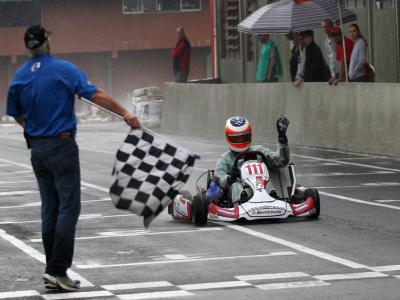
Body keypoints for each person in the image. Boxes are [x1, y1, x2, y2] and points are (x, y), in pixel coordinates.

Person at [6, 25, 141, 292]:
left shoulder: (19, 77)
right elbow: (96, 95)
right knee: (68, 208)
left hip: (37, 148)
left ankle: (53, 270)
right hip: (62, 145)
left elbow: (16, 113)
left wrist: (34, 130)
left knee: (49, 209)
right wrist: (127, 114)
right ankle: (57, 270)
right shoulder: (63, 69)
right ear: (47, 42)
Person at [213, 116, 290, 207]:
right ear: (228, 137)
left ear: (249, 135)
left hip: (260, 186)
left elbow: (281, 161)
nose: (240, 141)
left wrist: (282, 139)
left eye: (243, 137)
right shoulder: (224, 159)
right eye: (236, 138)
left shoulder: (259, 151)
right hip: (238, 195)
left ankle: (273, 199)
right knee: (236, 186)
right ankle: (242, 203)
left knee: (267, 182)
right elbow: (219, 179)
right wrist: (230, 178)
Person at [322, 19, 339, 84]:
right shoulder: (326, 41)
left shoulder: (337, 38)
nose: (325, 29)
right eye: (324, 27)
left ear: (332, 26)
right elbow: (330, 58)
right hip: (332, 73)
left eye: (327, 26)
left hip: (340, 72)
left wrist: (337, 74)